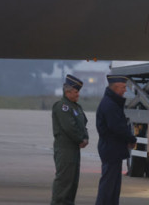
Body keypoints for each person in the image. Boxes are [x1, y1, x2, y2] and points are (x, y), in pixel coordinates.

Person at [95, 75, 137, 205]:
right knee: (108, 186)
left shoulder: (111, 103)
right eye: (123, 87)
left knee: (112, 187)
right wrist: (131, 138)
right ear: (116, 87)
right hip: (111, 148)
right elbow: (117, 127)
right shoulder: (110, 105)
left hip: (112, 148)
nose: (125, 90)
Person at [51, 74, 89, 205]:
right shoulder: (62, 106)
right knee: (64, 181)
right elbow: (69, 127)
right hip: (65, 149)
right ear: (67, 91)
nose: (78, 94)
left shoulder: (76, 107)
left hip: (74, 150)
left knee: (72, 182)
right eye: (76, 91)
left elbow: (83, 124)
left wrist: (85, 137)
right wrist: (81, 139)